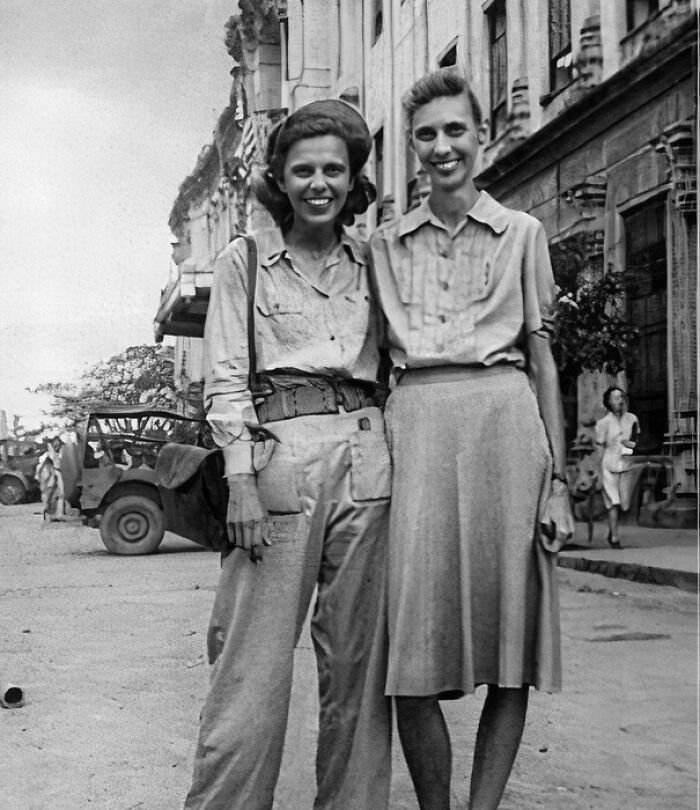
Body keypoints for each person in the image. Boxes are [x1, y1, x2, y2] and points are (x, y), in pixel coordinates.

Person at [369, 66, 575, 810]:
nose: (441, 146)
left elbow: (544, 355)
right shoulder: (382, 248)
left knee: (510, 653)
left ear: (481, 135)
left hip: (506, 431)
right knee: (408, 662)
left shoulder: (524, 234)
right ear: (413, 149)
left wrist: (558, 481)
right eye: (426, 134)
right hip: (415, 435)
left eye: (455, 129)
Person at [183, 99, 392, 810]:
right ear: (279, 177)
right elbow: (225, 378)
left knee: (360, 671)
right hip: (278, 458)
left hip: (368, 454)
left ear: (354, 177)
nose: (319, 183)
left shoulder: (375, 260)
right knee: (251, 666)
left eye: (334, 168)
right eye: (303, 170)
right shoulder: (244, 261)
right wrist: (239, 479)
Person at [595, 386, 640, 549]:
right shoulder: (603, 423)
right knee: (613, 502)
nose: (619, 401)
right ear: (608, 401)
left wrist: (629, 446)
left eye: (621, 397)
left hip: (626, 465)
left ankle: (611, 531)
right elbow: (599, 447)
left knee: (625, 504)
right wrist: (598, 471)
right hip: (608, 466)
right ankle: (614, 537)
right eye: (615, 398)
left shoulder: (632, 419)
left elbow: (635, 440)